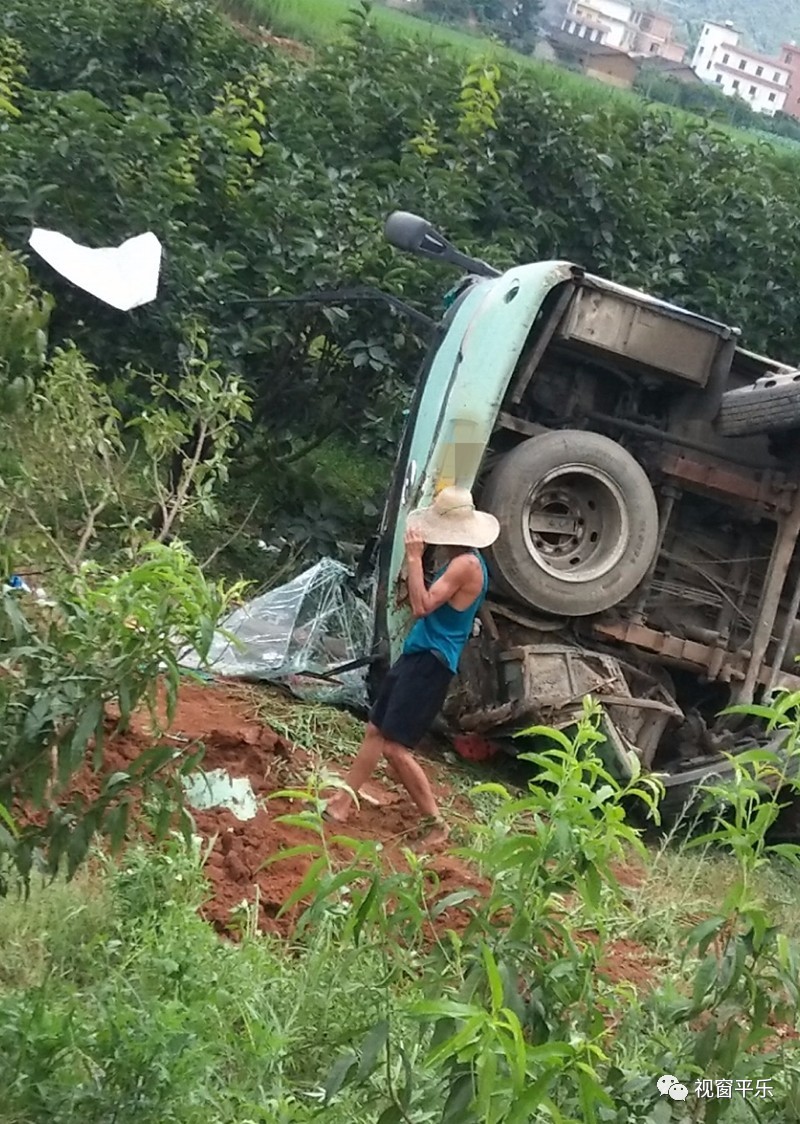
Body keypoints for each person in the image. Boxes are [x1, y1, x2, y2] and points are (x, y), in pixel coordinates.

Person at [324, 485, 500, 846]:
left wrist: (415, 558)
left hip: (432, 663)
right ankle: (341, 802)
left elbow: (422, 607)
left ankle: (437, 824)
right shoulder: (462, 560)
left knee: (395, 747)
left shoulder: (466, 566)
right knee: (376, 730)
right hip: (420, 654)